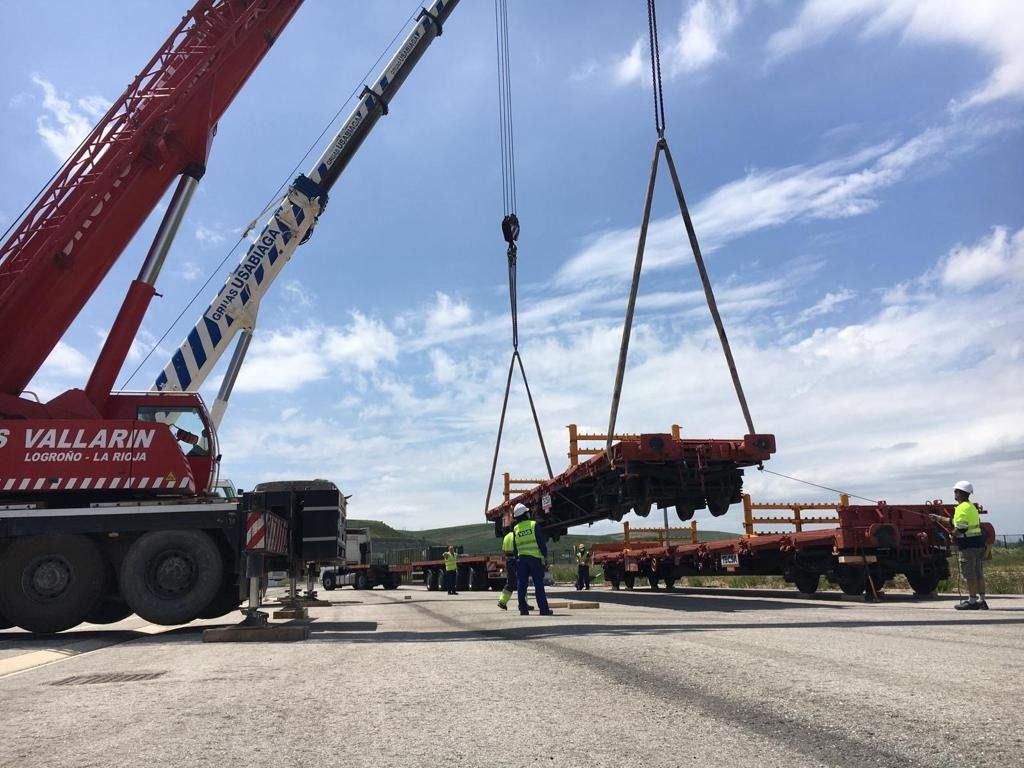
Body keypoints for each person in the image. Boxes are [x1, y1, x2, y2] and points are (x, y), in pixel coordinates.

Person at [932, 480, 987, 610]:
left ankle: (972, 601)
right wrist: (938, 518)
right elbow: (954, 522)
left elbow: (961, 527)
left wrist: (953, 535)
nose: (954, 494)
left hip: (967, 545)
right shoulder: (971, 507)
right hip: (978, 543)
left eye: (955, 492)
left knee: (970, 575)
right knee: (979, 574)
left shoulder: (962, 508)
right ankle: (982, 601)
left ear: (959, 493)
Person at [512, 503, 552, 616]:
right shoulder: (533, 525)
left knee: (522, 585)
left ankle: (523, 609)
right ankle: (543, 609)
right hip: (535, 559)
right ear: (525, 514)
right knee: (538, 584)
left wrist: (517, 559)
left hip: (522, 560)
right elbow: (541, 542)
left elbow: (515, 547)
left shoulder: (516, 529)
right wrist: (545, 555)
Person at [498, 527, 533, 611]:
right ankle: (523, 603)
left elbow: (503, 550)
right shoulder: (517, 535)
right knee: (521, 582)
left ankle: (502, 601)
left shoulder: (506, 537)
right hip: (516, 560)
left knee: (510, 583)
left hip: (508, 561)